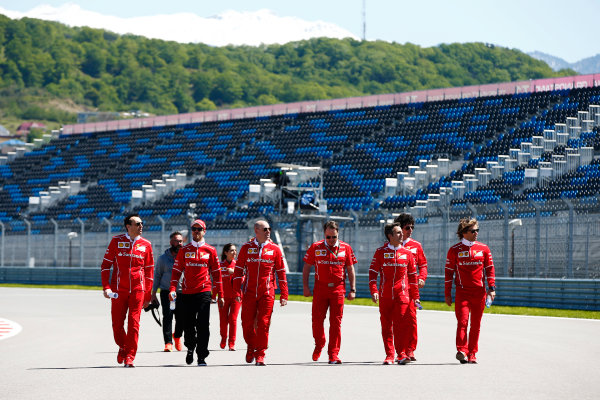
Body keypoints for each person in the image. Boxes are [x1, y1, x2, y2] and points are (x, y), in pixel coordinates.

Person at [101, 213, 154, 368]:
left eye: (141, 223)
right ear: (128, 226)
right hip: (118, 290)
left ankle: (130, 356)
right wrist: (106, 287)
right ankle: (123, 346)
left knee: (134, 323)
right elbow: (105, 266)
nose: (141, 226)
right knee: (117, 325)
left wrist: (148, 295)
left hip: (138, 289)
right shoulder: (116, 241)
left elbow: (149, 271)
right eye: (137, 224)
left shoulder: (146, 244)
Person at [233, 220, 288, 366]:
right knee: (246, 323)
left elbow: (281, 273)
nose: (268, 231)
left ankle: (260, 354)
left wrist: (284, 294)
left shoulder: (275, 249)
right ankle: (251, 345)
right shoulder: (246, 248)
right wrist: (237, 289)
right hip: (249, 291)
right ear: (256, 230)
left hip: (267, 291)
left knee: (264, 323)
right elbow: (238, 270)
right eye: (265, 229)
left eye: (269, 228)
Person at [169, 219, 224, 366]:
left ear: (204, 231)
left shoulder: (210, 250)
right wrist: (173, 289)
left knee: (203, 325)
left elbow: (217, 274)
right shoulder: (184, 250)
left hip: (204, 291)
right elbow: (176, 272)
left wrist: (220, 295)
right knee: (188, 325)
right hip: (187, 292)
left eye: (199, 229)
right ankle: (190, 347)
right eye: (194, 229)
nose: (196, 231)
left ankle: (201, 355)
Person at [302, 220, 357, 364]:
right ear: (324, 235)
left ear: (338, 234)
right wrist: (306, 287)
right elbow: (307, 268)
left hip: (338, 289)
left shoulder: (346, 248)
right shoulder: (316, 247)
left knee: (336, 322)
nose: (331, 240)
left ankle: (333, 353)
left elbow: (350, 269)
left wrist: (352, 289)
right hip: (320, 289)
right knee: (317, 321)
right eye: (328, 237)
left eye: (334, 237)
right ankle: (319, 343)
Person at [445, 218, 496, 364]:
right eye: (473, 231)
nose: (476, 233)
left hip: (479, 292)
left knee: (475, 324)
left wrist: (492, 288)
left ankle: (472, 353)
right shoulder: (454, 250)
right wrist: (447, 294)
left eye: (477, 230)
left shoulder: (484, 249)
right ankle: (462, 350)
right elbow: (448, 273)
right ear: (464, 233)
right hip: (462, 293)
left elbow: (490, 270)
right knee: (462, 322)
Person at [369, 222, 420, 365]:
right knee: (386, 326)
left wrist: (415, 297)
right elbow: (372, 273)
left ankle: (401, 354)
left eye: (401, 232)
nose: (402, 234)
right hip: (385, 295)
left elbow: (413, 277)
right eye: (398, 233)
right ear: (389, 236)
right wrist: (374, 291)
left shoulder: (408, 253)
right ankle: (389, 354)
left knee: (401, 325)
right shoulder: (380, 252)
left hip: (402, 295)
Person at [394, 213, 427, 361]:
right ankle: (397, 350)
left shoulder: (416, 246)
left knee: (412, 319)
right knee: (398, 320)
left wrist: (422, 277)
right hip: (396, 289)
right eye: (408, 227)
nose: (411, 230)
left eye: (412, 227)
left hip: (411, 288)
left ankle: (410, 350)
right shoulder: (392, 244)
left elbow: (424, 265)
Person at [151, 231, 184, 352]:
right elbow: (157, 276)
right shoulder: (163, 259)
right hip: (167, 292)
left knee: (182, 318)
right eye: (176, 241)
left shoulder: (185, 256)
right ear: (171, 242)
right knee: (168, 316)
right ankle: (168, 342)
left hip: (182, 292)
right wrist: (153, 294)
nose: (179, 243)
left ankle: (177, 336)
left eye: (181, 241)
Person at [218, 243, 241, 351]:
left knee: (233, 319)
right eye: (232, 250)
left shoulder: (238, 265)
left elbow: (243, 278)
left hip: (236, 297)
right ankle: (223, 338)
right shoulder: (220, 265)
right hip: (223, 297)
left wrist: (235, 273)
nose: (234, 252)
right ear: (225, 252)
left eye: (235, 250)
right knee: (223, 320)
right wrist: (216, 296)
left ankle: (232, 343)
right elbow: (217, 282)